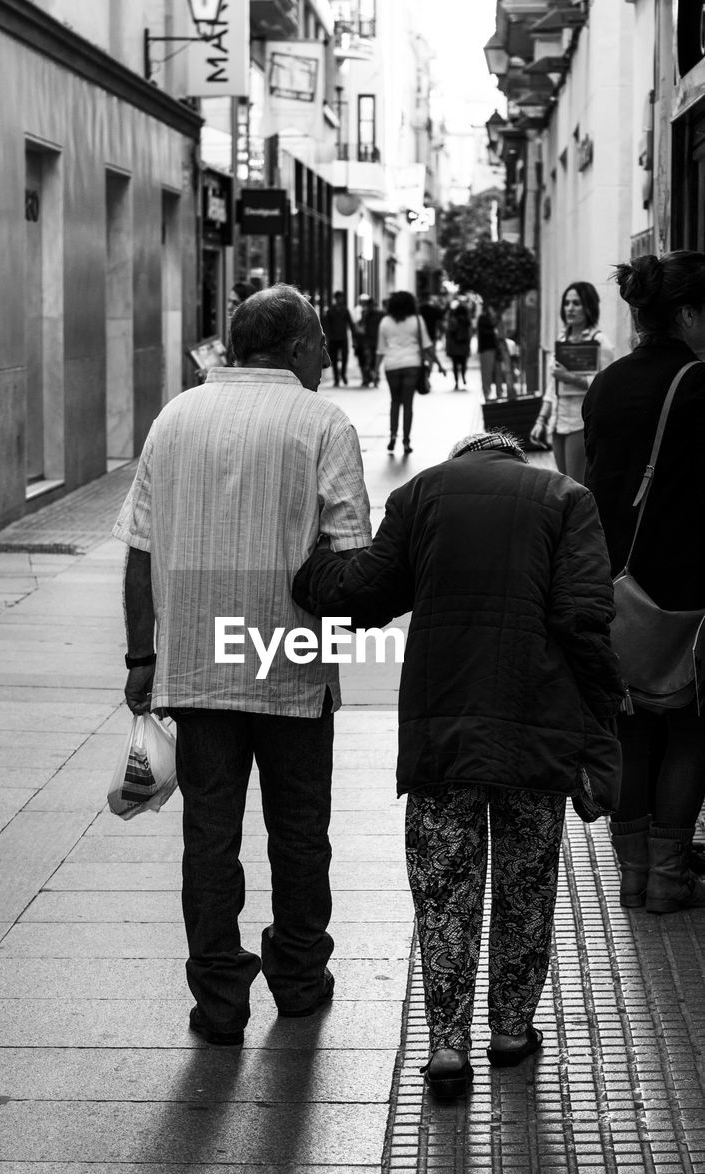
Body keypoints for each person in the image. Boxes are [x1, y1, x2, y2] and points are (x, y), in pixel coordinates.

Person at [292, 431, 623, 1099]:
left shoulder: (420, 496)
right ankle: (509, 1031)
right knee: (526, 887)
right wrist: (602, 714)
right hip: (537, 730)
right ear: (516, 454)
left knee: (445, 889)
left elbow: (361, 594)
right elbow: (584, 615)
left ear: (462, 456)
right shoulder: (567, 498)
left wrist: (310, 561)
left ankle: (447, 1046)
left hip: (444, 730)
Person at [113, 283, 372, 1045]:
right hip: (289, 660)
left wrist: (140, 656)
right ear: (294, 347)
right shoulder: (322, 422)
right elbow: (351, 555)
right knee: (299, 831)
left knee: (209, 836)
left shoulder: (176, 416)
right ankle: (297, 980)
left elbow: (140, 549)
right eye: (322, 341)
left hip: (194, 663)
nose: (327, 355)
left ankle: (218, 1001)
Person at [584, 251, 705, 914]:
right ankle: (668, 876)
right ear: (687, 313)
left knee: (629, 725)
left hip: (616, 585)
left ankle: (631, 875)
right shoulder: (701, 384)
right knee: (690, 727)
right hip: (687, 587)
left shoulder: (607, 384)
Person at [530, 281, 614, 481]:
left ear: (589, 306)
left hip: (580, 423)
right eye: (567, 303)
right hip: (557, 422)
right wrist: (541, 420)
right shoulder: (562, 339)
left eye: (576, 303)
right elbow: (553, 386)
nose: (570, 308)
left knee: (575, 487)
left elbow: (605, 385)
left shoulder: (600, 342)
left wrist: (570, 378)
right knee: (563, 483)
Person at [375, 290, 432, 454]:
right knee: (408, 405)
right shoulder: (417, 320)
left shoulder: (385, 321)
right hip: (412, 365)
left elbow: (380, 349)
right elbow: (427, 345)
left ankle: (392, 436)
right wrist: (438, 363)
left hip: (391, 365)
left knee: (394, 402)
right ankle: (406, 442)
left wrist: (375, 370)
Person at [323, 290, 357, 387]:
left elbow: (350, 323)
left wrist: (354, 336)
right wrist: (327, 336)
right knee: (333, 358)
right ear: (336, 298)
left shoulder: (345, 310)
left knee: (345, 357)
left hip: (343, 338)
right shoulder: (330, 310)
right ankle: (336, 378)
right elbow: (327, 324)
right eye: (339, 297)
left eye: (342, 297)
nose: (340, 299)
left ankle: (343, 374)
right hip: (333, 338)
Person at [477, 306, 505, 400]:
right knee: (487, 373)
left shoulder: (495, 319)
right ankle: (487, 395)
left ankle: (499, 393)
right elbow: (486, 332)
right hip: (487, 349)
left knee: (498, 373)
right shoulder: (483, 319)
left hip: (496, 348)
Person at [358, 295, 385, 387]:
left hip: (377, 341)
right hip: (368, 341)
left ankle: (374, 378)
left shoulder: (381, 314)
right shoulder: (365, 314)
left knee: (373, 361)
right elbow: (361, 324)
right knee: (368, 361)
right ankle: (370, 378)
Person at [445, 302, 472, 389]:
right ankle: (463, 376)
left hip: (454, 346)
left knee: (455, 365)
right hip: (464, 345)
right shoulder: (467, 321)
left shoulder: (453, 320)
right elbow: (469, 333)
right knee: (463, 363)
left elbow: (449, 333)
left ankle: (456, 382)